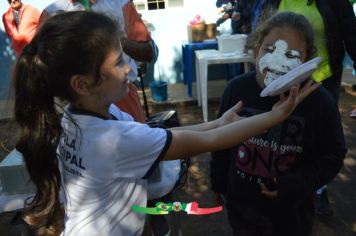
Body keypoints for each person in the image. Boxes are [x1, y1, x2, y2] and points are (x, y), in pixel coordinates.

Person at [13, 11, 319, 236]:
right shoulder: (113, 141)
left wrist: (218, 122)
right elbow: (209, 144)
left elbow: (159, 135)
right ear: (83, 83)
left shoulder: (76, 117)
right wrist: (275, 116)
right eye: (119, 62)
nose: (130, 68)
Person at [210, 12, 347, 236]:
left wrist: (294, 185)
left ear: (306, 62)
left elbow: (333, 154)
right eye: (270, 50)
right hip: (243, 212)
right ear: (256, 52)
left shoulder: (319, 102)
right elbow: (220, 140)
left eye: (292, 54)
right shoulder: (237, 90)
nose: (278, 61)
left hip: (291, 217)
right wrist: (218, 180)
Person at [246, 0, 356, 216]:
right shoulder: (269, 2)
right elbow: (259, 33)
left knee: (315, 135)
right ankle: (266, 178)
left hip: (321, 78)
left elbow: (352, 33)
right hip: (275, 83)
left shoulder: (334, 2)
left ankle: (316, 188)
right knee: (276, 133)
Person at [39, 0, 155, 123]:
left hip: (121, 95)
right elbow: (41, 65)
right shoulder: (51, 13)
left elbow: (147, 53)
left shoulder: (120, 4)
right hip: (76, 104)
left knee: (136, 139)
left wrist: (114, 40)